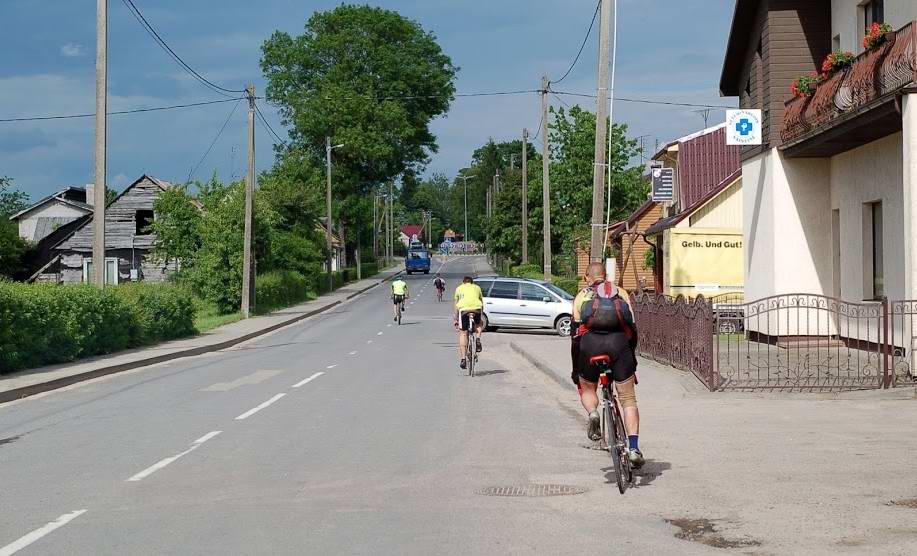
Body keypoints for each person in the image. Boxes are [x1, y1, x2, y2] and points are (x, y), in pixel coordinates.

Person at [571, 262, 644, 468]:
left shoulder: (581, 297)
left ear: (587, 277)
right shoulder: (620, 293)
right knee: (628, 400)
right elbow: (633, 329)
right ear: (606, 275)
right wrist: (631, 358)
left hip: (590, 347)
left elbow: (575, 338)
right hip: (619, 346)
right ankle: (633, 448)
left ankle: (593, 413)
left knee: (588, 387)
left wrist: (576, 368)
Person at [453, 275, 484, 369]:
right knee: (479, 324)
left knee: (463, 333)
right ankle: (478, 339)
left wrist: (455, 318)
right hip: (476, 309)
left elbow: (456, 304)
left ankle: (463, 359)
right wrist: (481, 316)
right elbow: (481, 302)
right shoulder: (477, 288)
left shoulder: (459, 288)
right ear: (472, 282)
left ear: (463, 282)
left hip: (464, 311)